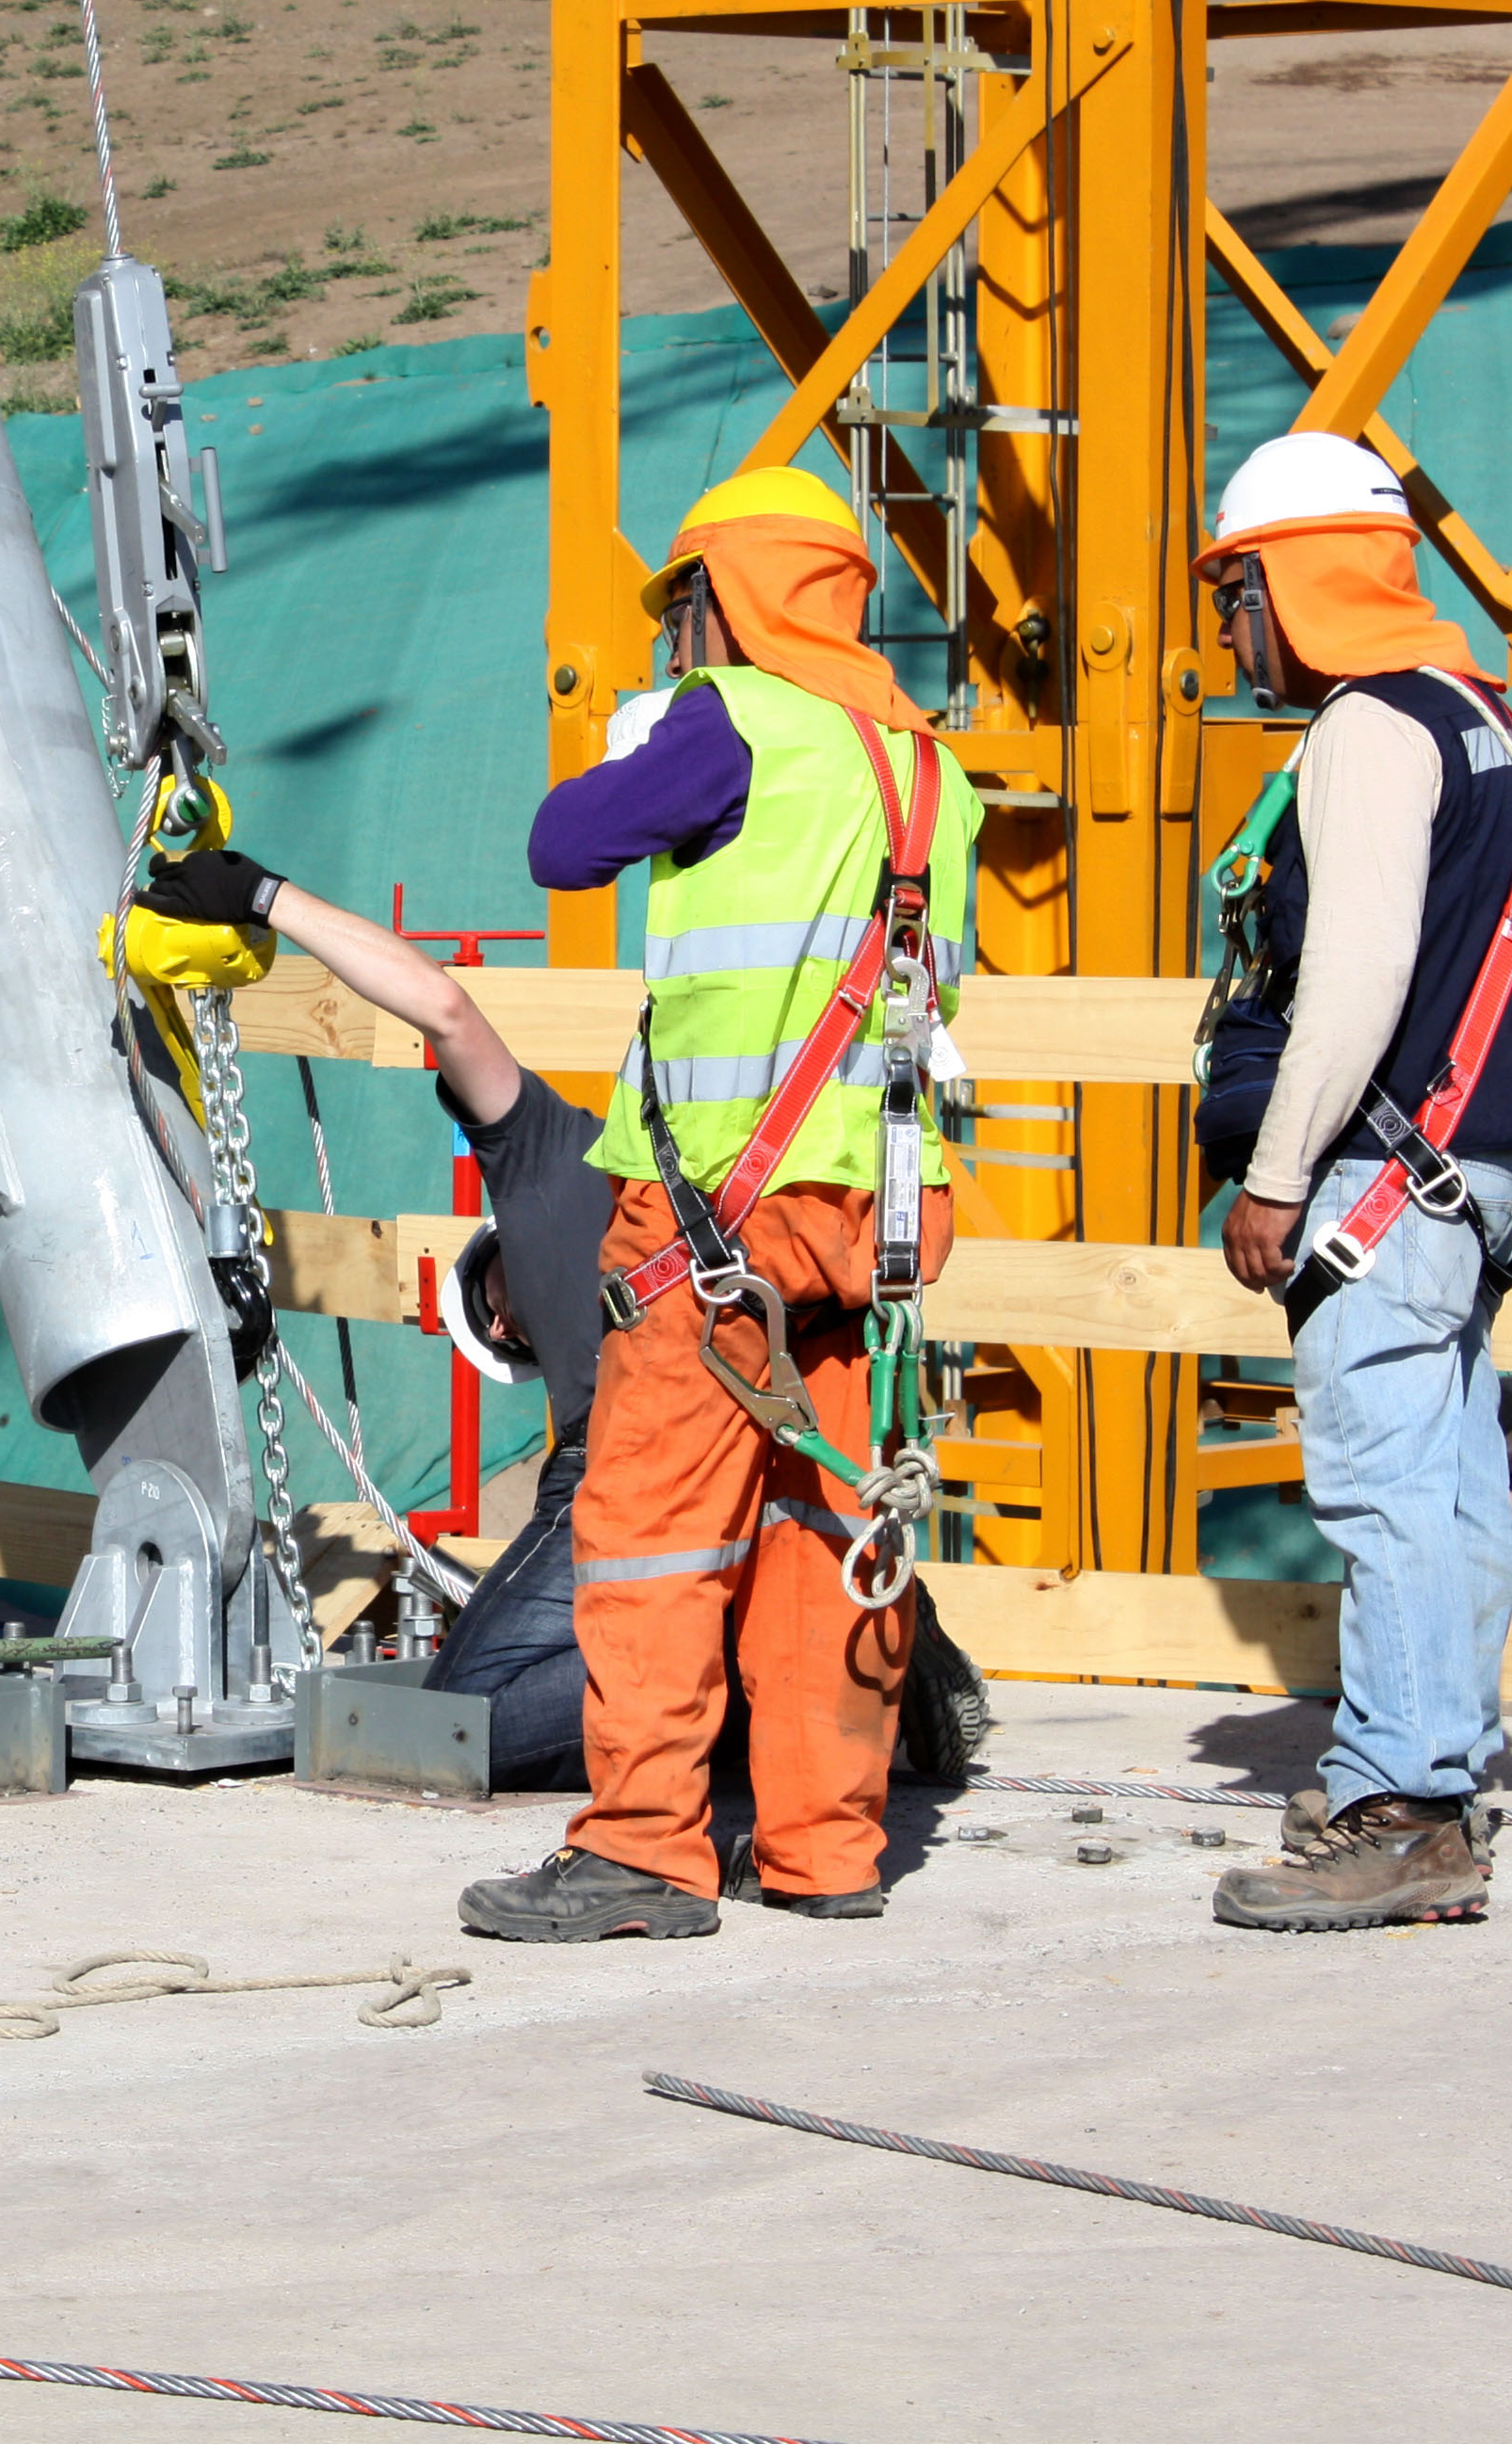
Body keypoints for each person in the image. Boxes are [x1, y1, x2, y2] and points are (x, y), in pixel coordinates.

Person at [127, 853, 999, 1804]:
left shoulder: (544, 1155)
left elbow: (441, 1009)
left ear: (494, 1247)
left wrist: (270, 898)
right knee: (476, 1703)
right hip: (695, 1451)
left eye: (492, 1303)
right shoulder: (650, 1223)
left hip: (672, 1452)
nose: (507, 1323)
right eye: (514, 1345)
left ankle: (769, 1689)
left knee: (460, 1719)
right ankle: (804, 1676)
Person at [452, 469, 980, 1943]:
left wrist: (638, 754)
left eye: (680, 611)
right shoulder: (928, 765)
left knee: (652, 1531)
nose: (677, 642)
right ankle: (821, 1846)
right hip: (869, 1215)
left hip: (713, 1216)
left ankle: (644, 1850)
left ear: (720, 597)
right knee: (820, 1527)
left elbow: (567, 848)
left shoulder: (730, 722)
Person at [1192, 432, 1512, 1933]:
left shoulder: (1363, 731)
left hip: (1380, 1179)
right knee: (1459, 1481)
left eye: (1237, 591)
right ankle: (1440, 1775)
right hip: (1481, 1168)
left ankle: (1398, 1807)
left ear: (1299, 581)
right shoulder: (1488, 725)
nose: (1229, 626)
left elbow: (1354, 977)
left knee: (1388, 1490)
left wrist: (1277, 1173)